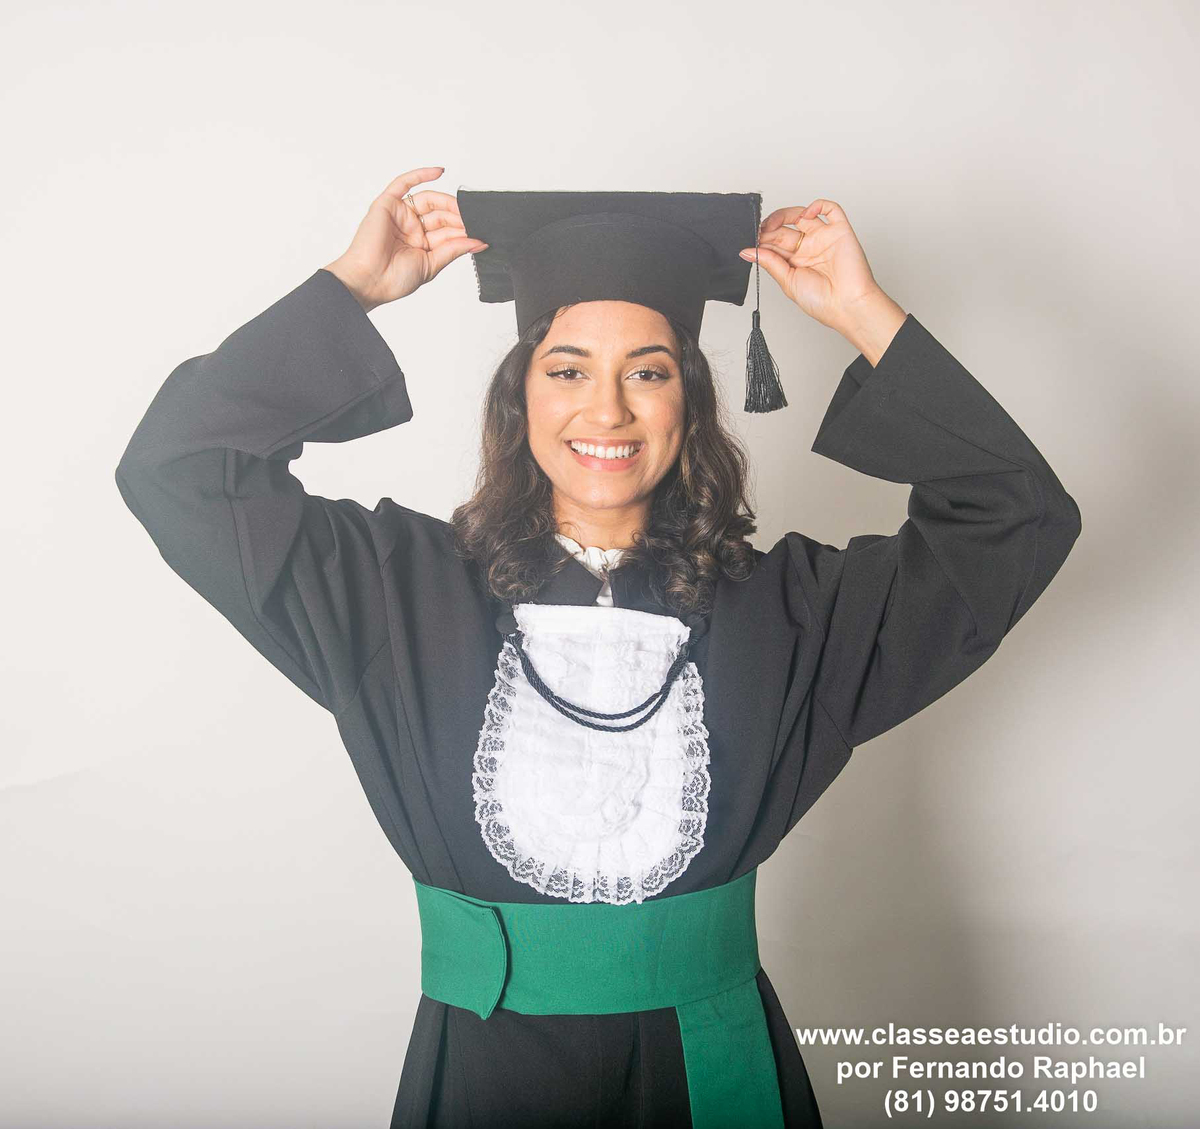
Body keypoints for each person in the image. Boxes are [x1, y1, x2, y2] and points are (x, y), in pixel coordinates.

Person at [114, 166, 1082, 1128]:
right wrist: (349, 289)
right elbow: (177, 471)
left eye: (648, 372)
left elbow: (1019, 516)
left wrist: (865, 314)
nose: (607, 410)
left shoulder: (792, 612)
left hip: (714, 1078)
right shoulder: (393, 592)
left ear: (689, 402)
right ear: (519, 397)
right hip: (482, 1078)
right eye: (568, 367)